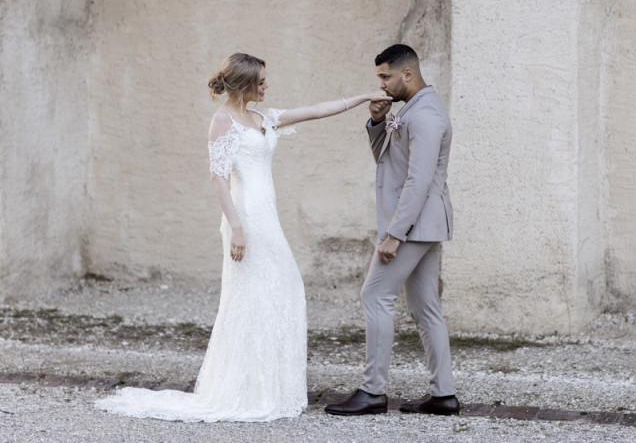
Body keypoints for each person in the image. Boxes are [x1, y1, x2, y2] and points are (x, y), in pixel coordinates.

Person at [95, 52, 391, 422]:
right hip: (245, 219)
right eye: (261, 82)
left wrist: (363, 98)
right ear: (244, 84)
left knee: (283, 290)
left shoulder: (263, 118)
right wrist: (236, 226)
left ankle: (269, 387)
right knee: (251, 297)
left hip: (267, 217)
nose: (267, 86)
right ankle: (244, 390)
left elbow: (316, 111)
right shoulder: (223, 120)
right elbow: (217, 177)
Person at [324, 44, 459, 417]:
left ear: (408, 74)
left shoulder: (426, 114)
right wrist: (378, 123)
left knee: (375, 295)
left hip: (414, 225)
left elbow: (419, 181)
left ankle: (373, 391)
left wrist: (395, 234)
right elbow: (387, 161)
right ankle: (443, 396)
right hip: (421, 224)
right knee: (426, 307)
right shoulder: (411, 109)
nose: (381, 84)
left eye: (385, 77)